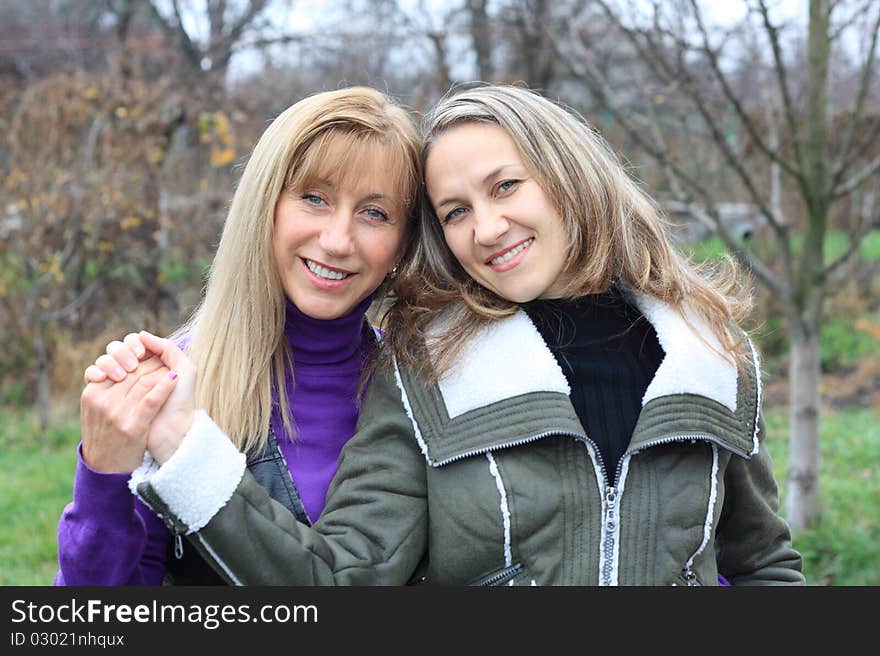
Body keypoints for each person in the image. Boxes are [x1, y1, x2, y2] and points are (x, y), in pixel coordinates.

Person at [82, 84, 804, 585]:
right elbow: (342, 580)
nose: (486, 229)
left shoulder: (709, 357)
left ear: (570, 175)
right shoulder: (428, 370)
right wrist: (178, 447)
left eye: (505, 187)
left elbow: (763, 562)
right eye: (454, 211)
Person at [54, 86, 421, 585]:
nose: (338, 241)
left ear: (404, 241)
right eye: (314, 198)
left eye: (374, 213)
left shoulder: (419, 387)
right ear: (264, 206)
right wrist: (103, 474)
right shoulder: (173, 383)